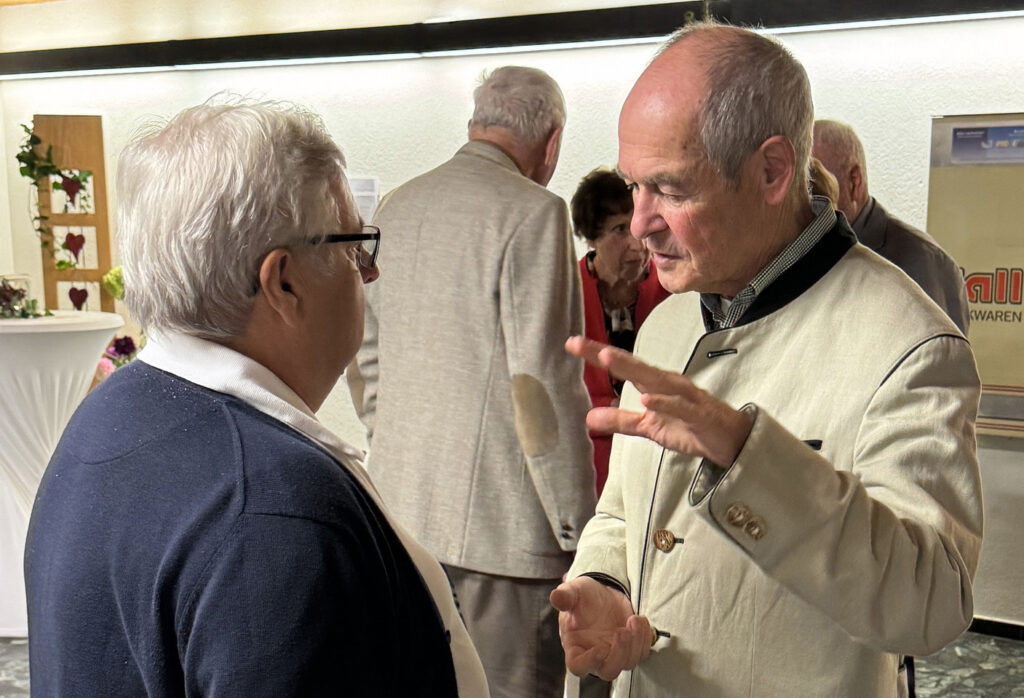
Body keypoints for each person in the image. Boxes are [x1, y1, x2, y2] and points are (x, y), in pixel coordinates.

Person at [550, 22, 983, 698]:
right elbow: (624, 514)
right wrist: (604, 582)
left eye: (670, 189)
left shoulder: (909, 344)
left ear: (773, 172)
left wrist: (751, 460)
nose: (639, 224)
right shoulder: (669, 321)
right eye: (634, 186)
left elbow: (931, 602)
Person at [24, 97, 488, 697]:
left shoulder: (114, 409)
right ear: (283, 282)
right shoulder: (277, 508)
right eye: (354, 246)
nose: (369, 273)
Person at [347, 66, 595, 698]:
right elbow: (540, 384)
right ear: (552, 142)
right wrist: (578, 527)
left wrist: (395, 440)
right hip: (505, 536)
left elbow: (365, 354)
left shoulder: (399, 205)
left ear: (474, 124)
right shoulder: (536, 213)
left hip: (403, 516)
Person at [813, 118, 970, 334]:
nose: (797, 200)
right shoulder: (809, 253)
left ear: (854, 181)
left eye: (812, 184)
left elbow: (941, 351)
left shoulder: (923, 260)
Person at [570, 167, 669, 496]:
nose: (636, 244)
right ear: (592, 237)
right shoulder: (566, 293)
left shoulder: (671, 291)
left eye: (638, 224)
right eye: (619, 230)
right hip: (585, 467)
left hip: (656, 460)